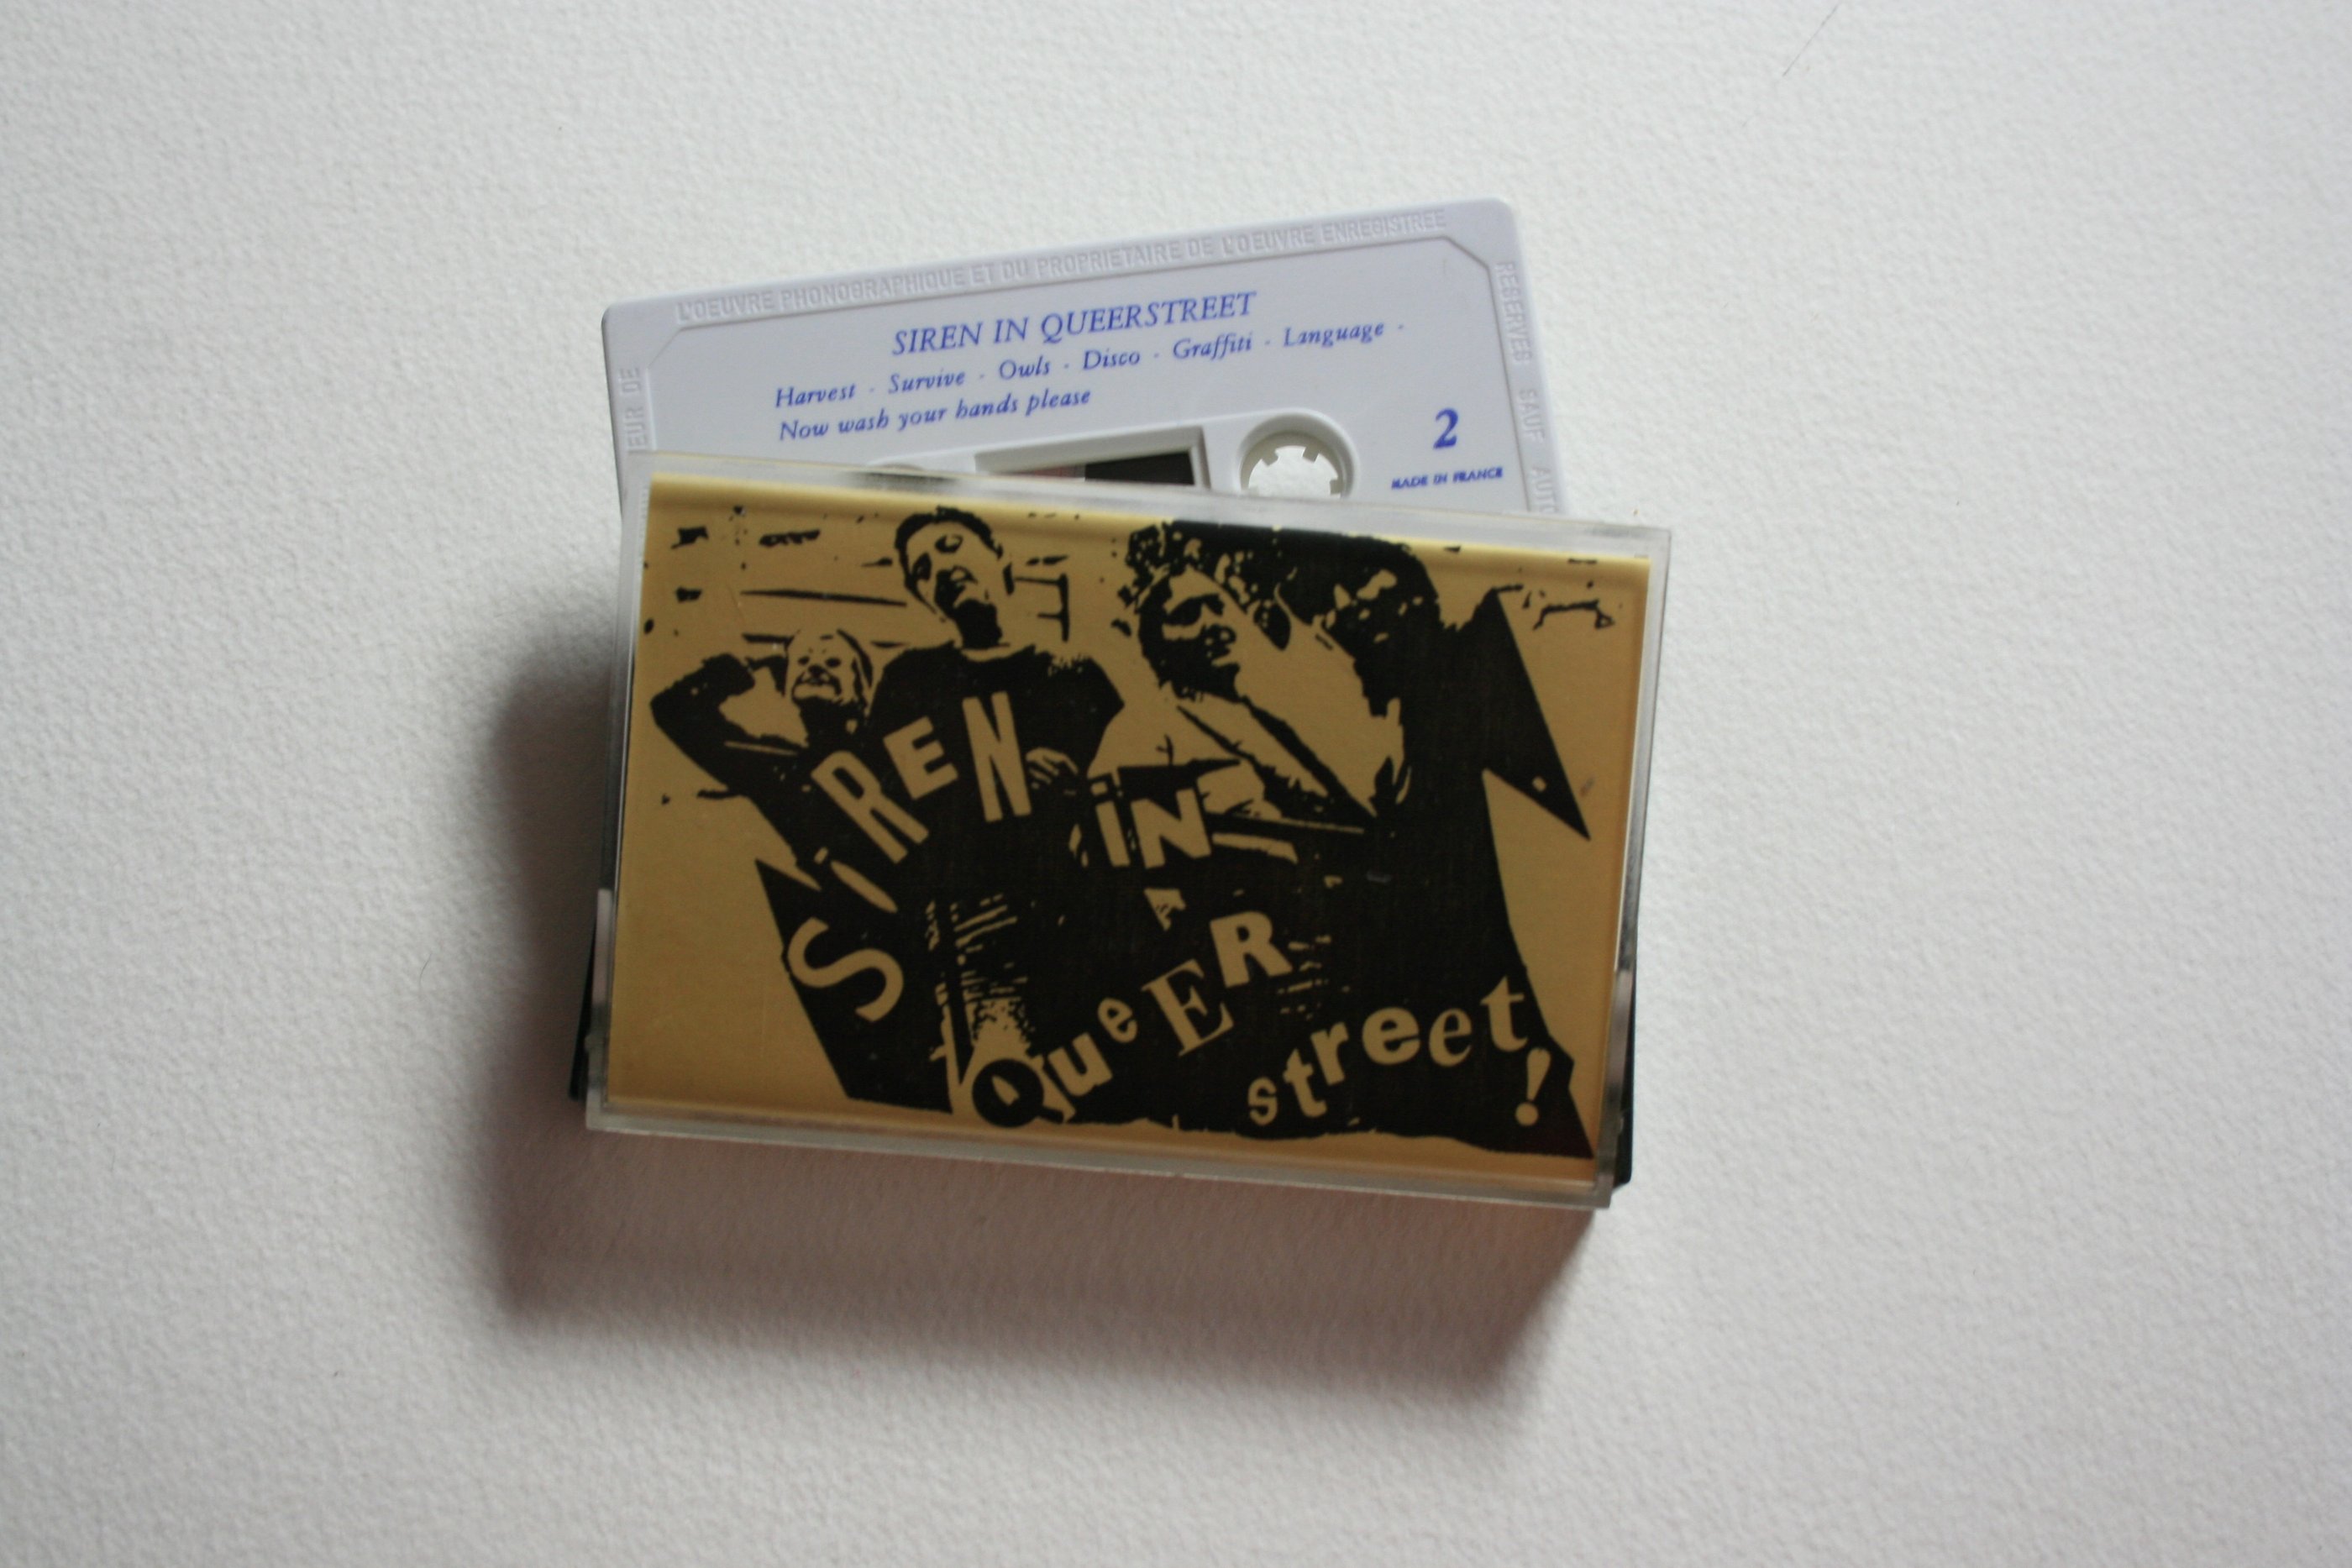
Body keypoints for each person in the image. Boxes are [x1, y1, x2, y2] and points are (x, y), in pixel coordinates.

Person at [858, 507, 1126, 1124]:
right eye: (923, 570)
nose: (940, 569)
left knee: (1109, 1090)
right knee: (1009, 1096)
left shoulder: (1077, 674)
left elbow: (1125, 782)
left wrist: (1076, 790)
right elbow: (889, 804)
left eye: (952, 546)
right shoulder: (911, 679)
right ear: (921, 597)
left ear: (999, 555)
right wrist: (993, 778)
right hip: (976, 917)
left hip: (1087, 908)